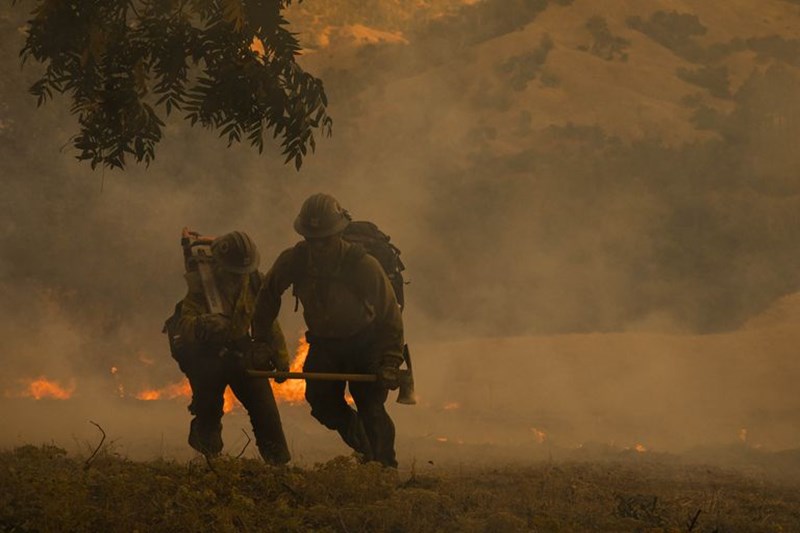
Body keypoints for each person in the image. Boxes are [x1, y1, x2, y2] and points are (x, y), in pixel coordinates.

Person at [252, 193, 404, 467]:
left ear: (339, 233)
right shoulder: (294, 260)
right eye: (313, 239)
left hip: (365, 342)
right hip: (325, 344)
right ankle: (366, 449)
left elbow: (389, 312)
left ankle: (385, 467)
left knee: (371, 406)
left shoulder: (361, 264)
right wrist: (262, 342)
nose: (319, 245)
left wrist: (391, 358)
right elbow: (267, 296)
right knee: (322, 404)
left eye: (325, 238)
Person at [174, 230, 291, 464]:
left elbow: (268, 321)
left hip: (240, 349)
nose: (238, 278)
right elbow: (184, 324)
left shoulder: (256, 281)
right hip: (206, 355)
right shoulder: (202, 283)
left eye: (242, 273)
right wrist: (203, 323)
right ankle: (210, 460)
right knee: (208, 409)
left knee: (265, 409)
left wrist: (280, 358)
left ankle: (278, 464)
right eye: (233, 273)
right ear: (219, 264)